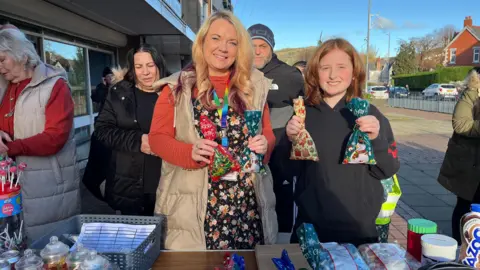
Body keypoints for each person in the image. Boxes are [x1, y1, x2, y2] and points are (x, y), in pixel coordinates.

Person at [149, 11, 277, 250]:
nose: (223, 48)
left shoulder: (254, 86)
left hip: (245, 209)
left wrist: (265, 145)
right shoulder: (178, 87)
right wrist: (189, 152)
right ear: (202, 43)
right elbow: (157, 138)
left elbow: (267, 132)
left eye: (233, 42)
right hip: (196, 209)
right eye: (216, 38)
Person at [285, 38, 399, 246]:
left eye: (341, 67)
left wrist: (375, 140)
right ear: (314, 73)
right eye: (325, 67)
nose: (332, 75)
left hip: (359, 231)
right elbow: (287, 171)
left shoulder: (371, 115)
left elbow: (388, 169)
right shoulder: (302, 115)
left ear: (354, 72)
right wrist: (291, 141)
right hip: (311, 231)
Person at [0, 26, 80, 240]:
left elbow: (55, 138)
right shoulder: (4, 87)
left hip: (48, 188)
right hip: (9, 187)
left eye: (2, 59)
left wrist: (9, 148)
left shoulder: (54, 85)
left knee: (49, 250)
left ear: (21, 55)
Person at [93, 44, 167, 216]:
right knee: (135, 238)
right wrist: (138, 141)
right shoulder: (119, 94)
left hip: (166, 183)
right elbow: (102, 130)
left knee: (166, 239)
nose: (145, 72)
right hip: (129, 185)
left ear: (159, 65)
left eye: (150, 65)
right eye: (139, 66)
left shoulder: (172, 93)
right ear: (133, 69)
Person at [247, 23, 304, 234]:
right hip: (249, 149)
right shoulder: (239, 72)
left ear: (271, 48)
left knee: (281, 200)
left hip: (280, 152)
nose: (257, 51)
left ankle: (282, 246)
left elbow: (306, 109)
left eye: (263, 45)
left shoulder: (290, 76)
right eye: (252, 45)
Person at [438, 70, 480, 243]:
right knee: (466, 206)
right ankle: (460, 246)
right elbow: (461, 124)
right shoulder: (472, 92)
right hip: (471, 163)